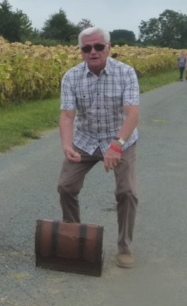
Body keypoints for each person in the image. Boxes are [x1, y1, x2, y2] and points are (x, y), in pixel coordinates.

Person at [57, 26, 140, 269]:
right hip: (85, 139)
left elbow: (132, 114)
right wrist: (66, 145)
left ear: (108, 48)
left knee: (127, 192)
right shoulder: (71, 77)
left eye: (98, 47)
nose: (93, 52)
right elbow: (67, 116)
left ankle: (125, 247)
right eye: (86, 48)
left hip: (120, 139)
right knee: (65, 186)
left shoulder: (125, 73)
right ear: (81, 51)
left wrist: (117, 145)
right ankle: (74, 238)